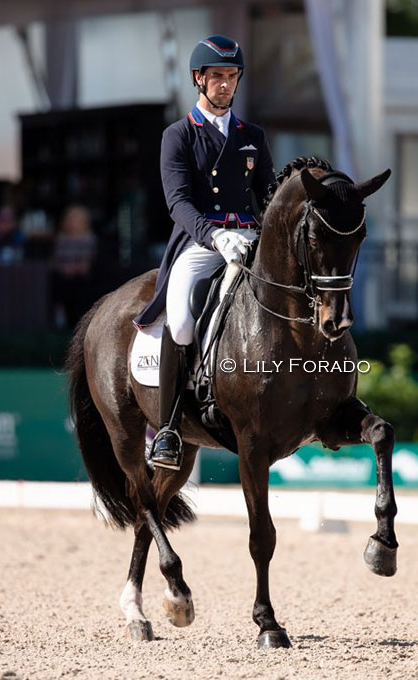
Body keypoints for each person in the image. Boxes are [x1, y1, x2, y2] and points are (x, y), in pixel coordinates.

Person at [133, 34, 276, 471]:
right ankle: (168, 428)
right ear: (199, 78)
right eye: (217, 76)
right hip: (201, 242)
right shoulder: (178, 135)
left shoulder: (252, 136)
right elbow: (177, 202)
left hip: (249, 239)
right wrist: (215, 236)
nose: (225, 85)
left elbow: (268, 196)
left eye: (231, 76)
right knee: (179, 319)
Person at [51, 205, 96, 329]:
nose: (73, 224)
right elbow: (55, 260)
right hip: (63, 276)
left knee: (80, 286)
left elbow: (88, 262)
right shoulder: (61, 239)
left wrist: (76, 268)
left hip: (81, 277)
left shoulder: (89, 239)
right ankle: (60, 317)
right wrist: (64, 268)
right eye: (71, 220)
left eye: (77, 220)